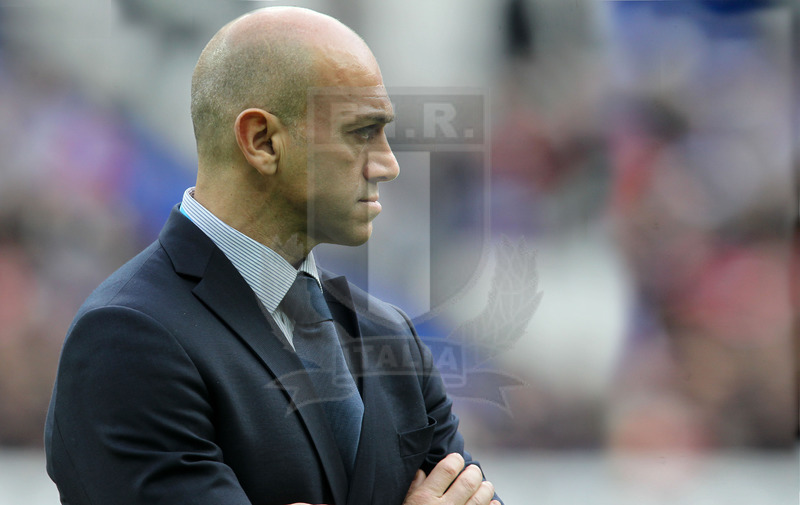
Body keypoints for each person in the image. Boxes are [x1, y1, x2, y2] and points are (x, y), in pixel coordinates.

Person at [44, 7, 501, 505]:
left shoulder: (391, 336)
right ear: (262, 141)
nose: (389, 164)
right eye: (362, 132)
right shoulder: (128, 336)